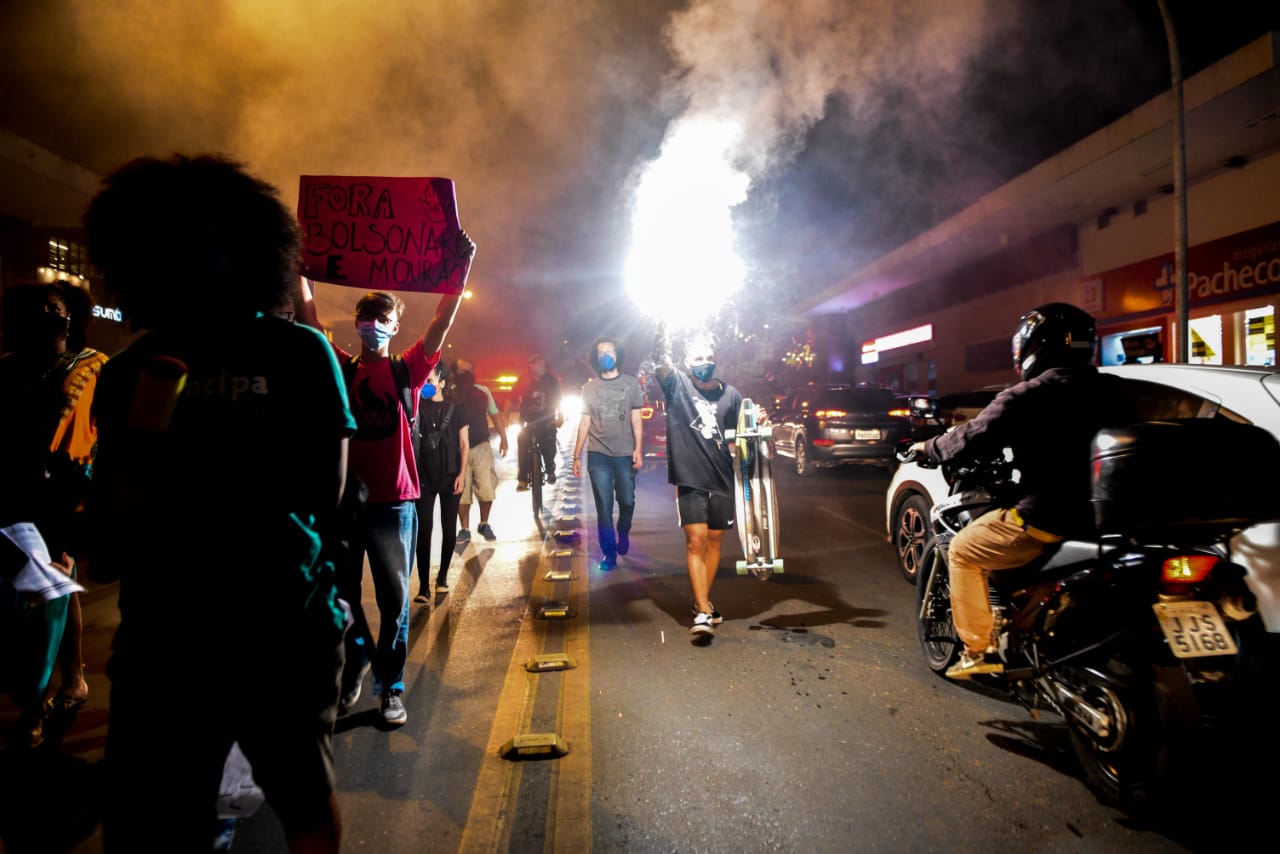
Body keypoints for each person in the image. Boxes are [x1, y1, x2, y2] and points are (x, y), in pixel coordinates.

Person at [82, 153, 356, 852]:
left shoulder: (297, 353)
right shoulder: (132, 376)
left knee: (300, 804)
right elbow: (108, 544)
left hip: (274, 631)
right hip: (177, 642)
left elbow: (322, 495)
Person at [907, 303, 1136, 679]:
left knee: (964, 550)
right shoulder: (1116, 391)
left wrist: (927, 448)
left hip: (1049, 516)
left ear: (1032, 347)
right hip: (1106, 521)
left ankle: (979, 651)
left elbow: (971, 436)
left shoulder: (1029, 396)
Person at [297, 268, 472, 727]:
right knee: (345, 600)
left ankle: (390, 687)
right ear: (356, 324)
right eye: (365, 315)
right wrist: (302, 269)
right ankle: (357, 664)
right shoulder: (342, 365)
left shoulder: (406, 369)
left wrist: (458, 275)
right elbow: (308, 317)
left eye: (382, 316)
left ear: (395, 326)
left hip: (395, 504)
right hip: (345, 505)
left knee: (394, 601)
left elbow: (441, 323)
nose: (372, 322)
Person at [0, 281, 103, 747]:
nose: (44, 314)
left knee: (49, 597)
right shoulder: (7, 372)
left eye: (54, 308)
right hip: (14, 500)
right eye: (34, 309)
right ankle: (70, 680)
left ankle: (35, 705)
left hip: (66, 500)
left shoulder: (91, 368)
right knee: (55, 592)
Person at [652, 325, 743, 643]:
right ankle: (703, 611)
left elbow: (738, 438)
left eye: (708, 357)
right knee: (696, 540)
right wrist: (661, 322)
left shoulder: (731, 395)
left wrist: (758, 422)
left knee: (716, 540)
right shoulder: (676, 385)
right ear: (686, 362)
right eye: (696, 357)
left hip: (721, 477)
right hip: (689, 477)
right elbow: (659, 361)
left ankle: (701, 599)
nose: (703, 362)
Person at [571, 337, 644, 571]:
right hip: (598, 454)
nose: (606, 355)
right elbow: (584, 423)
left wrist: (638, 450)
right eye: (601, 352)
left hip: (624, 454)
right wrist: (576, 456)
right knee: (604, 506)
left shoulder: (631, 384)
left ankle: (623, 531)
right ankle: (609, 553)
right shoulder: (589, 388)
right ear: (596, 358)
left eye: (610, 351)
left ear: (617, 355)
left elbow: (636, 419)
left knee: (627, 501)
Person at [413, 360, 468, 601]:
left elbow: (464, 445)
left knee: (449, 529)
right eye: (424, 380)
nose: (426, 384)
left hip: (450, 477)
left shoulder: (457, 409)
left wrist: (462, 475)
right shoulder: (416, 407)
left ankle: (442, 578)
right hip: (423, 478)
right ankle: (423, 586)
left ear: (442, 383)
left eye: (430, 380)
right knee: (424, 530)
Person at [451, 357, 508, 543]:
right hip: (458, 450)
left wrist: (504, 439)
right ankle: (464, 529)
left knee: (486, 487)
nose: (466, 373)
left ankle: (484, 524)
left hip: (481, 445)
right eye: (462, 371)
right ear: (454, 374)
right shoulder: (449, 393)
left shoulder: (483, 392)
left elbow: (495, 415)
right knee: (461, 491)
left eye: (469, 369)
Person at [513, 353, 562, 491]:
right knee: (522, 441)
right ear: (531, 366)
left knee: (548, 444)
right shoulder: (523, 381)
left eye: (544, 364)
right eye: (539, 364)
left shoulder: (551, 381)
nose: (543, 367)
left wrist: (560, 417)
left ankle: (550, 469)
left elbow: (559, 399)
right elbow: (511, 397)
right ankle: (522, 479)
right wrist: (506, 415)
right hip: (528, 422)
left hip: (547, 421)